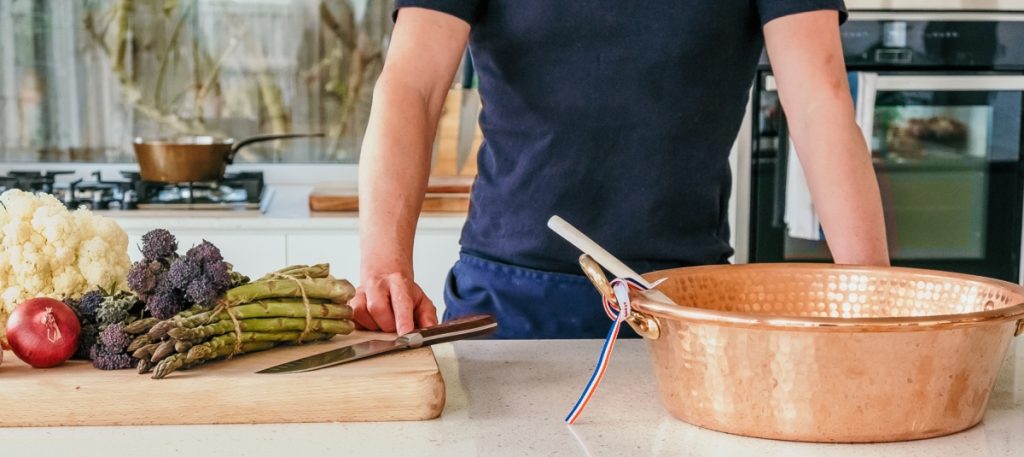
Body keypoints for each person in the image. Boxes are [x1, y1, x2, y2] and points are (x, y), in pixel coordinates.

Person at [350, 1, 890, 339]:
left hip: (687, 302)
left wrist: (876, 296)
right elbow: (411, 87)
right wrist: (384, 263)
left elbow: (820, 99)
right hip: (509, 298)